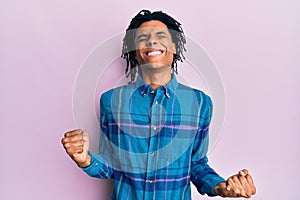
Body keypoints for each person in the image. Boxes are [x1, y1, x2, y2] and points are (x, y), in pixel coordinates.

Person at [61, 10, 256, 199]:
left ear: (174, 47)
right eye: (142, 38)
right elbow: (112, 165)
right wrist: (85, 159)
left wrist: (221, 187)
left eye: (160, 36)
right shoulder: (111, 101)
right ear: (135, 52)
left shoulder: (200, 103)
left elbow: (196, 165)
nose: (151, 41)